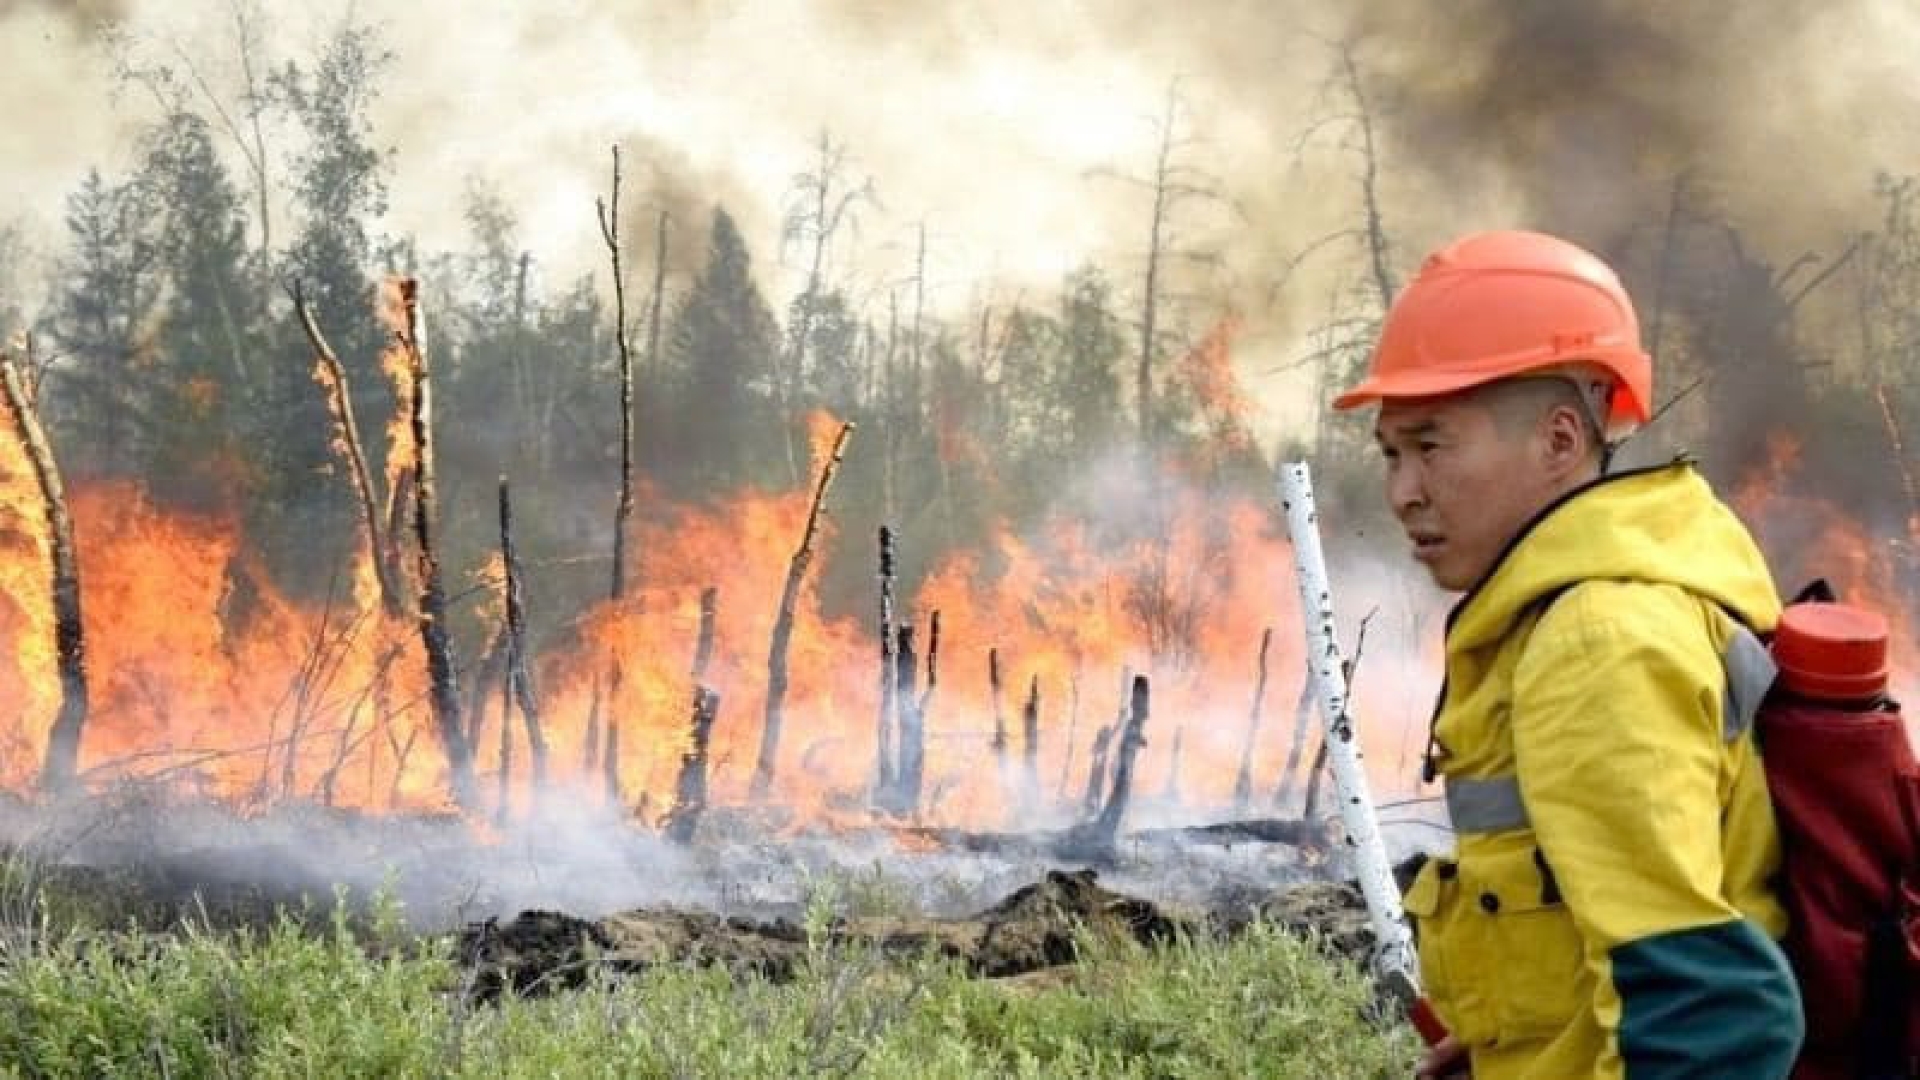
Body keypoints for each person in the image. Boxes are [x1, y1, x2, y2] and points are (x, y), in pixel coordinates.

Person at [1332, 230, 1805, 1078]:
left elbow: (1712, 1016)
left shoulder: (1597, 646)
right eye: (1392, 453)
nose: (1403, 492)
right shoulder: (1583, 609)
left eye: (1432, 445)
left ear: (1559, 442)